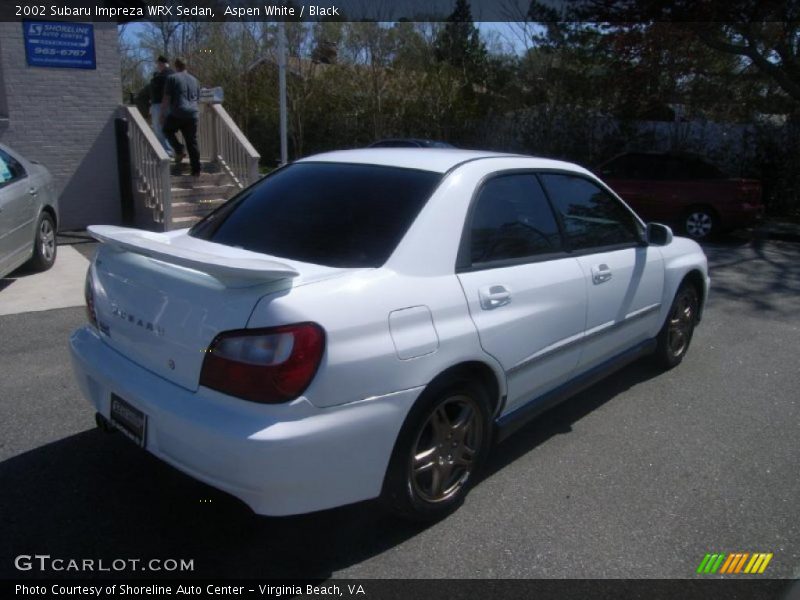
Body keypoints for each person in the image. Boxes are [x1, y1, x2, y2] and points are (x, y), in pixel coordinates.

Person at [161, 57, 201, 177]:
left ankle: (179, 149)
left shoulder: (172, 78)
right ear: (186, 66)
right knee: (192, 142)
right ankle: (196, 170)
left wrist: (162, 114)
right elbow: (198, 98)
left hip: (179, 111)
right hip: (193, 113)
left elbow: (166, 98)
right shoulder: (195, 80)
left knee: (166, 129)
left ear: (176, 66)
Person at [149, 56, 174, 156]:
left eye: (158, 64)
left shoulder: (163, 76)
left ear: (161, 63)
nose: (157, 66)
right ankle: (171, 150)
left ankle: (166, 151)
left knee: (159, 128)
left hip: (160, 105)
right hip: (170, 105)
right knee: (167, 129)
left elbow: (165, 93)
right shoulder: (173, 74)